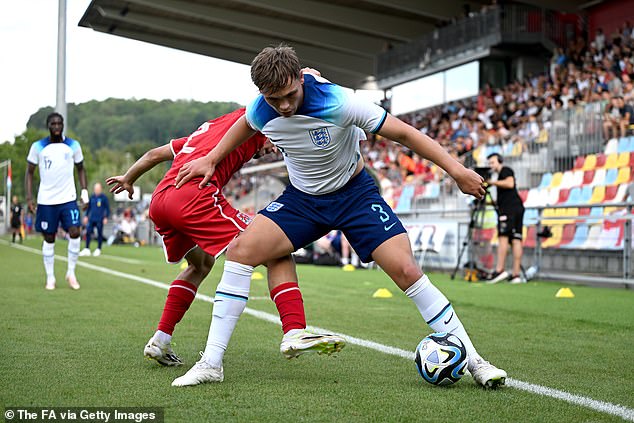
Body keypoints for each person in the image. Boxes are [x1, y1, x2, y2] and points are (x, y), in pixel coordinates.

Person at [173, 45, 507, 388]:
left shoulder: (340, 101)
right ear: (263, 94)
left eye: (290, 95)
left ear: (300, 78)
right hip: (302, 200)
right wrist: (212, 158)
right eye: (275, 100)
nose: (284, 106)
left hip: (355, 196)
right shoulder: (262, 109)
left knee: (407, 270)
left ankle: (476, 361)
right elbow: (244, 125)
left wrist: (457, 171)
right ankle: (211, 362)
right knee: (241, 251)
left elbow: (405, 133)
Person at [106, 106, 344, 370]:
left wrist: (129, 178)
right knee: (275, 250)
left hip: (161, 202)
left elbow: (154, 154)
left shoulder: (203, 132)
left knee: (201, 265)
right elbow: (282, 99)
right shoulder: (256, 120)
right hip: (194, 198)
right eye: (273, 141)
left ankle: (161, 339)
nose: (273, 148)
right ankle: (295, 330)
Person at [25, 112, 88, 290]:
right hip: (46, 200)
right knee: (49, 237)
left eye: (59, 123)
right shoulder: (38, 147)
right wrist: (29, 197)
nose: (56, 126)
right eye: (53, 124)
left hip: (68, 198)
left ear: (63, 125)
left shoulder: (73, 145)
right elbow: (29, 173)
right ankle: (50, 277)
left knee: (75, 232)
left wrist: (84, 192)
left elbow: (81, 169)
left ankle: (71, 272)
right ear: (48, 126)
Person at [485, 153, 525, 284]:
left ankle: (499, 270)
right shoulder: (501, 175)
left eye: (492, 162)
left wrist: (491, 182)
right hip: (516, 208)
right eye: (489, 163)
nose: (490, 165)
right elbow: (504, 196)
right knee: (516, 239)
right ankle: (516, 275)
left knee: (503, 237)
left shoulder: (505, 170)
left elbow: (510, 184)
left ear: (499, 161)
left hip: (509, 210)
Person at [80, 182, 110, 257]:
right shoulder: (92, 197)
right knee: (88, 232)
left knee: (99, 234)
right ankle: (87, 249)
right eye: (95, 189)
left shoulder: (104, 198)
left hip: (100, 219)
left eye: (98, 189)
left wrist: (106, 217)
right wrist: (86, 216)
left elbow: (107, 208)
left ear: (100, 189)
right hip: (92, 218)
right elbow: (89, 208)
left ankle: (98, 249)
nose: (96, 190)